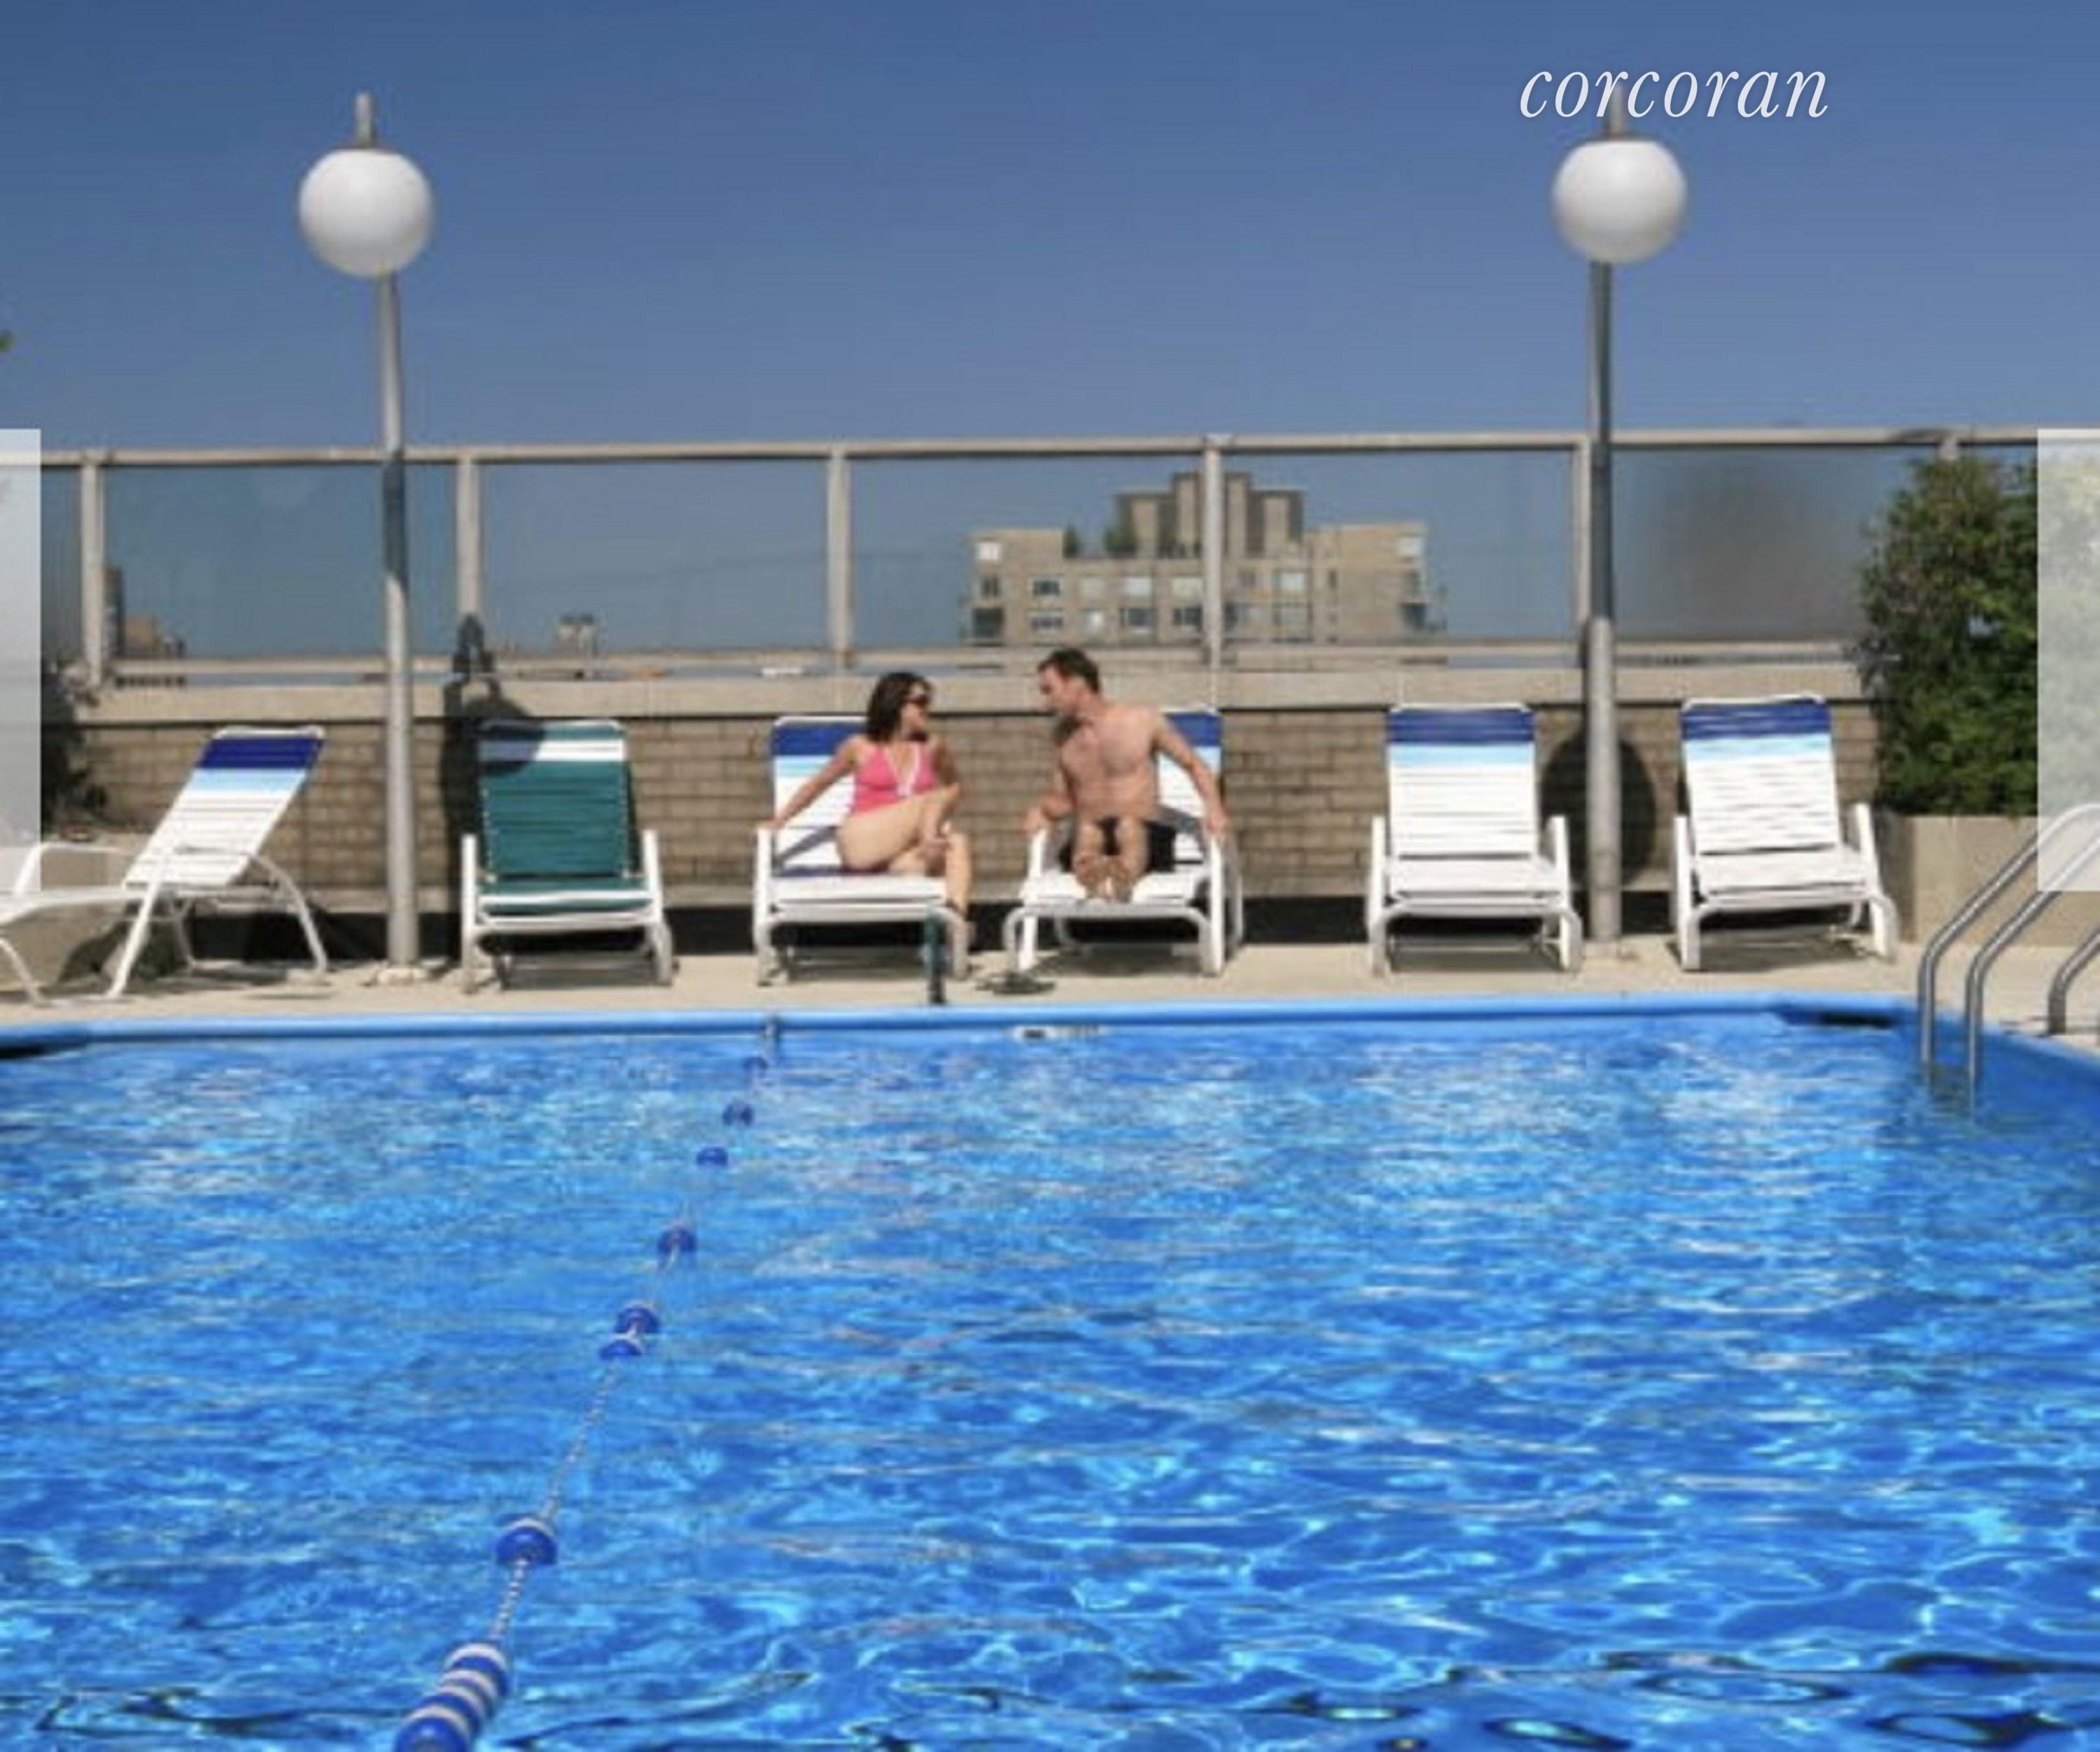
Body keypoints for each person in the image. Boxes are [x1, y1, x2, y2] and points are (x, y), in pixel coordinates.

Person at [1022, 646, 1230, 901]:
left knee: (1127, 825)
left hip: (1146, 839)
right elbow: (1064, 801)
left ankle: (1116, 879)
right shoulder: (1064, 737)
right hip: (1091, 840)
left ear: (1077, 684)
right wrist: (1041, 810)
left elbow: (1195, 765)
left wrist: (1215, 809)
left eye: (1049, 690)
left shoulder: (1141, 720)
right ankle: (1100, 877)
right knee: (1088, 829)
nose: (1045, 701)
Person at [764, 672, 973, 918]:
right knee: (932, 799)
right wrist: (779, 821)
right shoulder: (860, 746)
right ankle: (928, 840)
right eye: (920, 702)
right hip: (861, 840)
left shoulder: (932, 747)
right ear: (896, 704)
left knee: (957, 843)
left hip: (900, 854)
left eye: (928, 702)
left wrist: (938, 816)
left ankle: (957, 923)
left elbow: (954, 787)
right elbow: (818, 784)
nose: (927, 710)